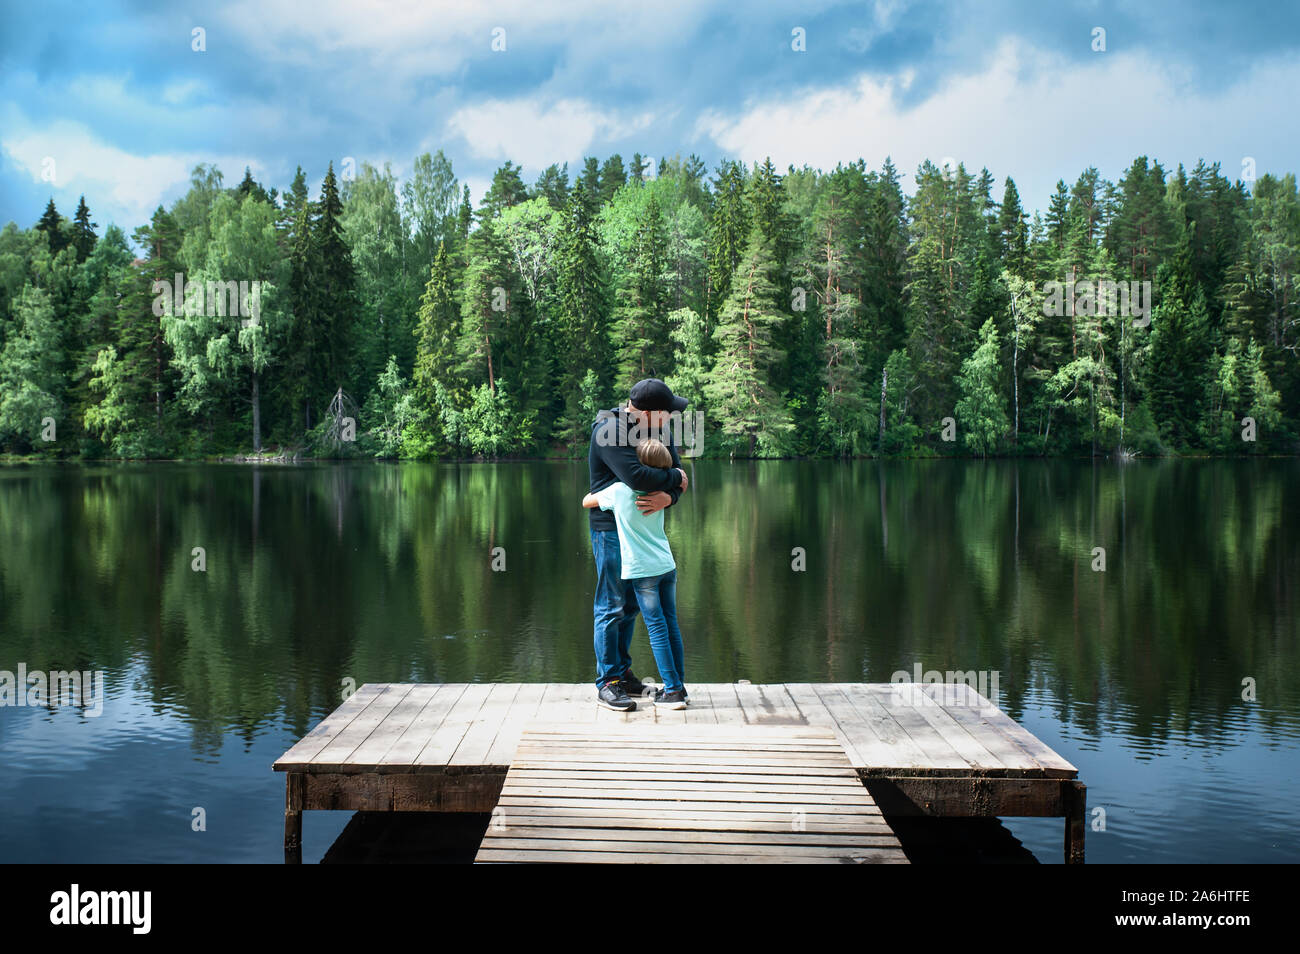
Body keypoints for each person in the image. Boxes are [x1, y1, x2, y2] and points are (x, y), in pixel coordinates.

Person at [586, 379, 689, 711]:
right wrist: (675, 482)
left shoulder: (657, 428)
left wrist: (669, 496)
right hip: (612, 530)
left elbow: (677, 472)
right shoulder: (608, 429)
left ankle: (623, 673)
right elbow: (638, 478)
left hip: (642, 530)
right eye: (667, 413)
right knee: (612, 605)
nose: (671, 419)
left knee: (630, 607)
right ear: (649, 413)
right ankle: (608, 682)